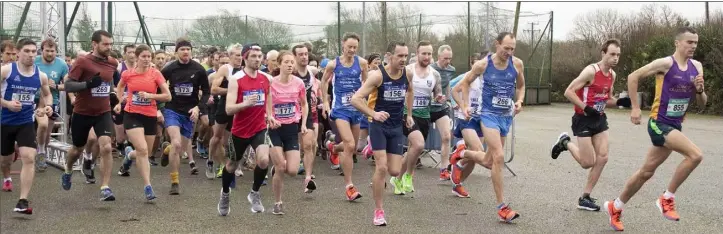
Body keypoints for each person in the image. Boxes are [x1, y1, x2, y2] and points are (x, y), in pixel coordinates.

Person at [603, 27, 706, 231]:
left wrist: (700, 90)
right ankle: (666, 199)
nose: (693, 46)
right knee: (695, 155)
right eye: (689, 42)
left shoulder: (697, 67)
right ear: (677, 43)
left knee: (646, 172)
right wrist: (635, 107)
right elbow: (633, 77)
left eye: (695, 42)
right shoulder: (666, 63)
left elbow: (702, 104)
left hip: (675, 124)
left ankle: (616, 206)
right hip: (659, 123)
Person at [550, 39, 622, 211]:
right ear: (603, 53)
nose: (615, 58)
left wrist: (621, 102)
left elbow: (607, 100)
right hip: (583, 118)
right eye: (612, 54)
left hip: (599, 118)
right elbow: (568, 91)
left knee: (603, 157)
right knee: (587, 162)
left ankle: (585, 197)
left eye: (618, 55)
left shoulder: (612, 75)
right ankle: (565, 143)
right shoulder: (590, 71)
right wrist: (586, 108)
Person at [462, 32, 525, 222]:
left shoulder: (517, 64)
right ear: (497, 45)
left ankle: (462, 153)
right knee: (498, 156)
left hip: (506, 116)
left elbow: (521, 86)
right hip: (488, 115)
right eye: (506, 48)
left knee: (490, 161)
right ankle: (502, 207)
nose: (509, 52)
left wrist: (520, 101)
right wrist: (465, 105)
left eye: (512, 48)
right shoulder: (483, 64)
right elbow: (465, 82)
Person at [352, 41, 414, 226]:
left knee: (394, 170)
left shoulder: (407, 74)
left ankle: (371, 147)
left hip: (395, 127)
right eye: (399, 56)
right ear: (389, 56)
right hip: (378, 126)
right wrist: (373, 114)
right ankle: (378, 210)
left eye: (406, 56)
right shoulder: (378, 77)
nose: (403, 60)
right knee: (381, 168)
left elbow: (410, 91)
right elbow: (356, 99)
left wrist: (408, 114)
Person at [61, 30, 119, 201]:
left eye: (111, 44)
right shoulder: (82, 62)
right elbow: (68, 85)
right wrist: (87, 84)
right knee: (77, 149)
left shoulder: (113, 63)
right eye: (105, 44)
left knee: (107, 147)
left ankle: (105, 187)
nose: (109, 47)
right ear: (94, 44)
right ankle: (68, 169)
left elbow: (111, 83)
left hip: (103, 112)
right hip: (82, 112)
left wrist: (114, 95)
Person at [217, 43, 272, 216]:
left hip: (259, 128)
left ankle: (254, 193)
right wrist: (245, 104)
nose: (257, 59)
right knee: (232, 165)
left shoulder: (265, 78)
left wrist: (269, 114)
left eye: (259, 56)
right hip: (240, 130)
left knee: (263, 160)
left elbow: (268, 97)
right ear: (245, 58)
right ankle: (225, 194)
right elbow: (228, 109)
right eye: (253, 56)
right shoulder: (236, 79)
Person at [113, 44, 172, 201]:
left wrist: (150, 96)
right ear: (137, 57)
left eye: (148, 57)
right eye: (143, 56)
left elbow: (168, 96)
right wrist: (121, 100)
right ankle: (148, 186)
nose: (146, 59)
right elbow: (119, 88)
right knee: (143, 150)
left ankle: (128, 156)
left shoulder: (156, 74)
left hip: (149, 116)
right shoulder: (127, 74)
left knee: (143, 152)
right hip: (132, 115)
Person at [1, 38, 52, 214]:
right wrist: (6, 104)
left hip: (25, 122)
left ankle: (22, 200)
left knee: (29, 157)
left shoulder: (40, 75)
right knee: (5, 160)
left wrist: (45, 108)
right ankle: (7, 176)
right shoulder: (7, 71)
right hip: (4, 122)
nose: (31, 55)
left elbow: (47, 96)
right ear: (18, 52)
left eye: (33, 51)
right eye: (27, 51)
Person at [389, 41, 444, 195]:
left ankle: (397, 178)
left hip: (424, 116)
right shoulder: (407, 70)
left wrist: (439, 98)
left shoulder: (435, 74)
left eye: (429, 54)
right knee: (419, 145)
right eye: (424, 53)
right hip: (407, 115)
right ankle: (408, 175)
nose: (427, 57)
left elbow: (437, 94)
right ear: (417, 54)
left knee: (414, 149)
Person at [320, 32, 368, 201]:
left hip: (355, 109)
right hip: (340, 109)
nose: (352, 50)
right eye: (349, 47)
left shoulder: (362, 63)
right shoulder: (334, 64)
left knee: (352, 148)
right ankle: (349, 186)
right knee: (349, 143)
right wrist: (325, 102)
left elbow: (366, 84)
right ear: (343, 45)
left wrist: (363, 98)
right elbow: (324, 82)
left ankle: (333, 148)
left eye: (355, 47)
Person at [160, 37, 210, 195]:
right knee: (176, 143)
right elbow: (159, 86)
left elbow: (206, 91)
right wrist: (160, 103)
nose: (186, 52)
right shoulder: (169, 69)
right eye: (182, 49)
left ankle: (166, 150)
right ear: (176, 53)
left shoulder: (199, 69)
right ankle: (175, 182)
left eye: (188, 49)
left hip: (190, 112)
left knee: (179, 149)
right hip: (172, 110)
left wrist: (198, 107)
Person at [266, 51, 309, 214]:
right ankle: (278, 202)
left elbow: (304, 104)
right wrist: (269, 117)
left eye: (292, 62)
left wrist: (303, 124)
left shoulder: (299, 83)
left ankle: (277, 168)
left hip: (291, 127)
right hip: (274, 129)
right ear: (279, 64)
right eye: (287, 62)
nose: (290, 65)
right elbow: (265, 104)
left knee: (291, 170)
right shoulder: (271, 83)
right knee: (280, 166)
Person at [449, 52, 490, 198]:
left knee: (476, 159)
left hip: (482, 120)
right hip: (466, 118)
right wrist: (462, 105)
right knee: (478, 151)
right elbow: (453, 90)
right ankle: (459, 156)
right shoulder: (471, 76)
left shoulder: (493, 79)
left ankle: (458, 183)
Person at [33, 38, 69, 173]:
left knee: (47, 130)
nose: (49, 54)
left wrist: (56, 85)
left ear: (56, 51)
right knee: (35, 128)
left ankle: (41, 151)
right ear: (42, 51)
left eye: (52, 51)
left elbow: (68, 84)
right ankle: (36, 152)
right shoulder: (34, 61)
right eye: (47, 51)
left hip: (52, 100)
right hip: (33, 99)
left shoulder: (62, 65)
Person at [209, 46, 243, 181]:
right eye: (236, 55)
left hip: (238, 106)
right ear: (230, 57)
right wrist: (232, 90)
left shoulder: (245, 69)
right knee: (217, 137)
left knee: (230, 140)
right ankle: (210, 161)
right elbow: (214, 89)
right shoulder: (225, 69)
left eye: (241, 55)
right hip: (223, 105)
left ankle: (229, 165)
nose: (239, 58)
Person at [291, 44, 321, 191]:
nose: (304, 57)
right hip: (289, 112)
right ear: (294, 56)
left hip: (306, 111)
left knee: (309, 144)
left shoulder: (311, 71)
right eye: (300, 54)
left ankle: (308, 178)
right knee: (292, 148)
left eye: (305, 54)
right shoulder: (290, 72)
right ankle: (282, 166)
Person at [430, 45, 455, 180]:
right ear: (439, 57)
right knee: (418, 142)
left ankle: (444, 169)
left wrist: (449, 99)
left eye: (450, 58)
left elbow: (448, 84)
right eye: (445, 58)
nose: (448, 61)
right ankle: (410, 163)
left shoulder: (451, 70)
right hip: (426, 109)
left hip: (441, 108)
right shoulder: (430, 68)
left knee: (446, 137)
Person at [113, 44, 136, 161]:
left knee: (133, 132)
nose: (132, 55)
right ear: (125, 54)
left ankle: (129, 150)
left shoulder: (140, 67)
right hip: (121, 103)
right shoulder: (119, 67)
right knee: (120, 136)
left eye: (134, 52)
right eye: (130, 52)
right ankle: (119, 144)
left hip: (135, 104)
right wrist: (122, 94)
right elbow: (112, 86)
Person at [356, 53, 382, 157]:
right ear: (369, 65)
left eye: (379, 63)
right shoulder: (370, 76)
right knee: (359, 146)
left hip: (375, 112)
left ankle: (371, 148)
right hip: (365, 111)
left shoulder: (382, 76)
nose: (377, 65)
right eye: (375, 63)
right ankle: (331, 142)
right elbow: (360, 95)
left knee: (377, 140)